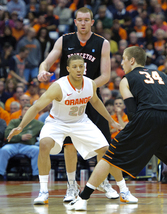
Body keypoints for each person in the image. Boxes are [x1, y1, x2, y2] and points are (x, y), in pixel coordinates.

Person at [66, 46, 167, 212]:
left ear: (131, 60)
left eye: (124, 60)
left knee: (109, 157)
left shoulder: (127, 79)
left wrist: (140, 133)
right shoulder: (163, 76)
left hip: (148, 118)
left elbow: (132, 113)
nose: (122, 64)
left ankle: (82, 200)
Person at [7, 55, 136, 205]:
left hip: (80, 122)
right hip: (57, 123)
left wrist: (112, 121)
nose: (78, 69)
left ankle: (124, 190)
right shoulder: (58, 86)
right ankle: (43, 191)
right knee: (44, 144)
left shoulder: (90, 84)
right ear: (68, 69)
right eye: (74, 67)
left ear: (85, 68)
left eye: (81, 66)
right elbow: (36, 107)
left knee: (106, 150)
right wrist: (20, 126)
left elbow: (95, 101)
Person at [36, 7, 119, 201]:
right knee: (69, 145)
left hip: (92, 97)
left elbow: (105, 75)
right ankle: (71, 186)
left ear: (92, 21)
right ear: (75, 21)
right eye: (79, 19)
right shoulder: (64, 40)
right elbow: (46, 63)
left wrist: (85, 88)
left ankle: (102, 182)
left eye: (86, 20)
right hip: (67, 99)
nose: (83, 23)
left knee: (103, 145)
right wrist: (42, 70)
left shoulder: (102, 43)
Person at [0, 104, 43, 181]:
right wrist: (20, 137)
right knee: (4, 150)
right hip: (13, 145)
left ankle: (36, 175)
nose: (27, 112)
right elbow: (7, 135)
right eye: (25, 109)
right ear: (21, 111)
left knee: (37, 150)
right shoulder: (14, 122)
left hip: (28, 146)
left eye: (29, 110)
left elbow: (46, 132)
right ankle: (1, 174)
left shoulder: (38, 124)